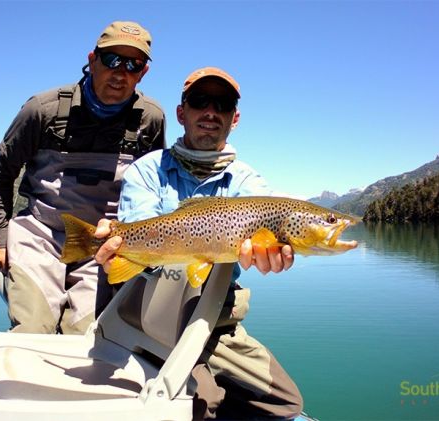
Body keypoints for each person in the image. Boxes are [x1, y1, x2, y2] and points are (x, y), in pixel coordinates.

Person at [94, 67, 303, 420]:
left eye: (221, 104)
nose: (210, 112)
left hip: (215, 317)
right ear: (181, 113)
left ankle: (204, 375)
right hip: (150, 311)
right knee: (201, 402)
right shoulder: (147, 171)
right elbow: (136, 230)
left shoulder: (249, 183)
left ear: (234, 118)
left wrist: (271, 257)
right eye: (199, 101)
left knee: (286, 403)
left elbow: (268, 233)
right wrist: (118, 244)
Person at [0, 21, 166, 335]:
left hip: (104, 244)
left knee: (86, 337)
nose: (120, 73)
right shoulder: (42, 110)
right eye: (112, 60)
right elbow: (1, 177)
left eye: (133, 65)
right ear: (93, 59)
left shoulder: (150, 119)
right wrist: (1, 241)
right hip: (40, 235)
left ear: (143, 73)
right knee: (32, 330)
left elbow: (154, 188)